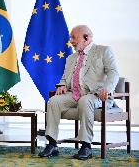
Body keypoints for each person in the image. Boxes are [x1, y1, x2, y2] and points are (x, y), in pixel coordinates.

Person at [38, 25, 119, 160]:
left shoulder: (103, 51)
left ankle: (86, 146)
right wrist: (62, 85)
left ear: (86, 38)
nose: (71, 41)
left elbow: (113, 72)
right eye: (71, 38)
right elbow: (64, 78)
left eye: (74, 37)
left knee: (85, 100)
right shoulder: (71, 58)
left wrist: (107, 89)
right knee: (53, 101)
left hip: (97, 96)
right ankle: (52, 144)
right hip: (75, 94)